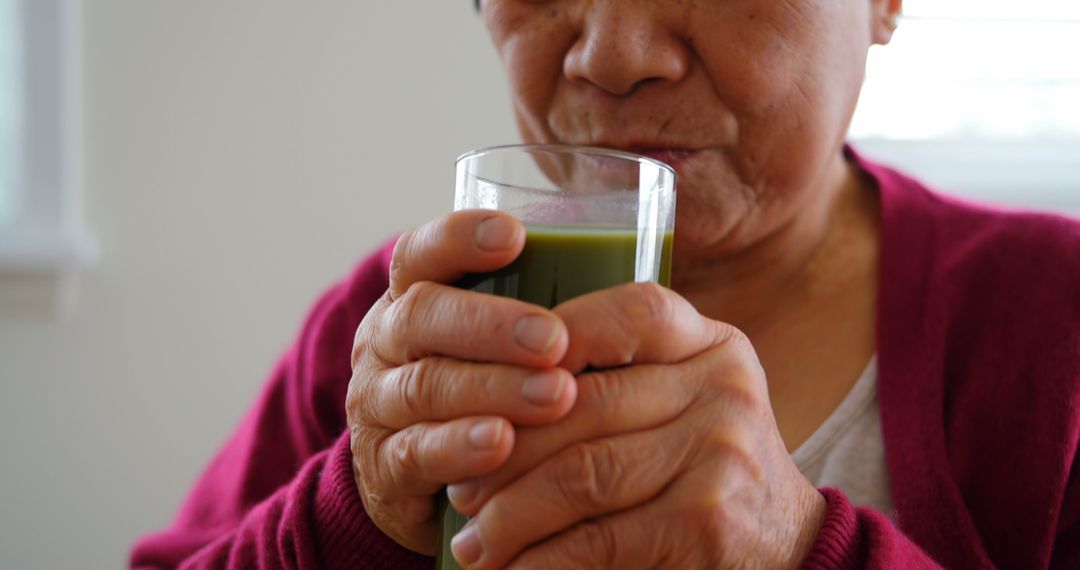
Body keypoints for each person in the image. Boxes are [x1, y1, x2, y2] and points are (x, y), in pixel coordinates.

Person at [131, 0, 1080, 568]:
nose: (615, 56)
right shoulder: (398, 336)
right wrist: (361, 514)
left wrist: (799, 549)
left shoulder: (1051, 326)